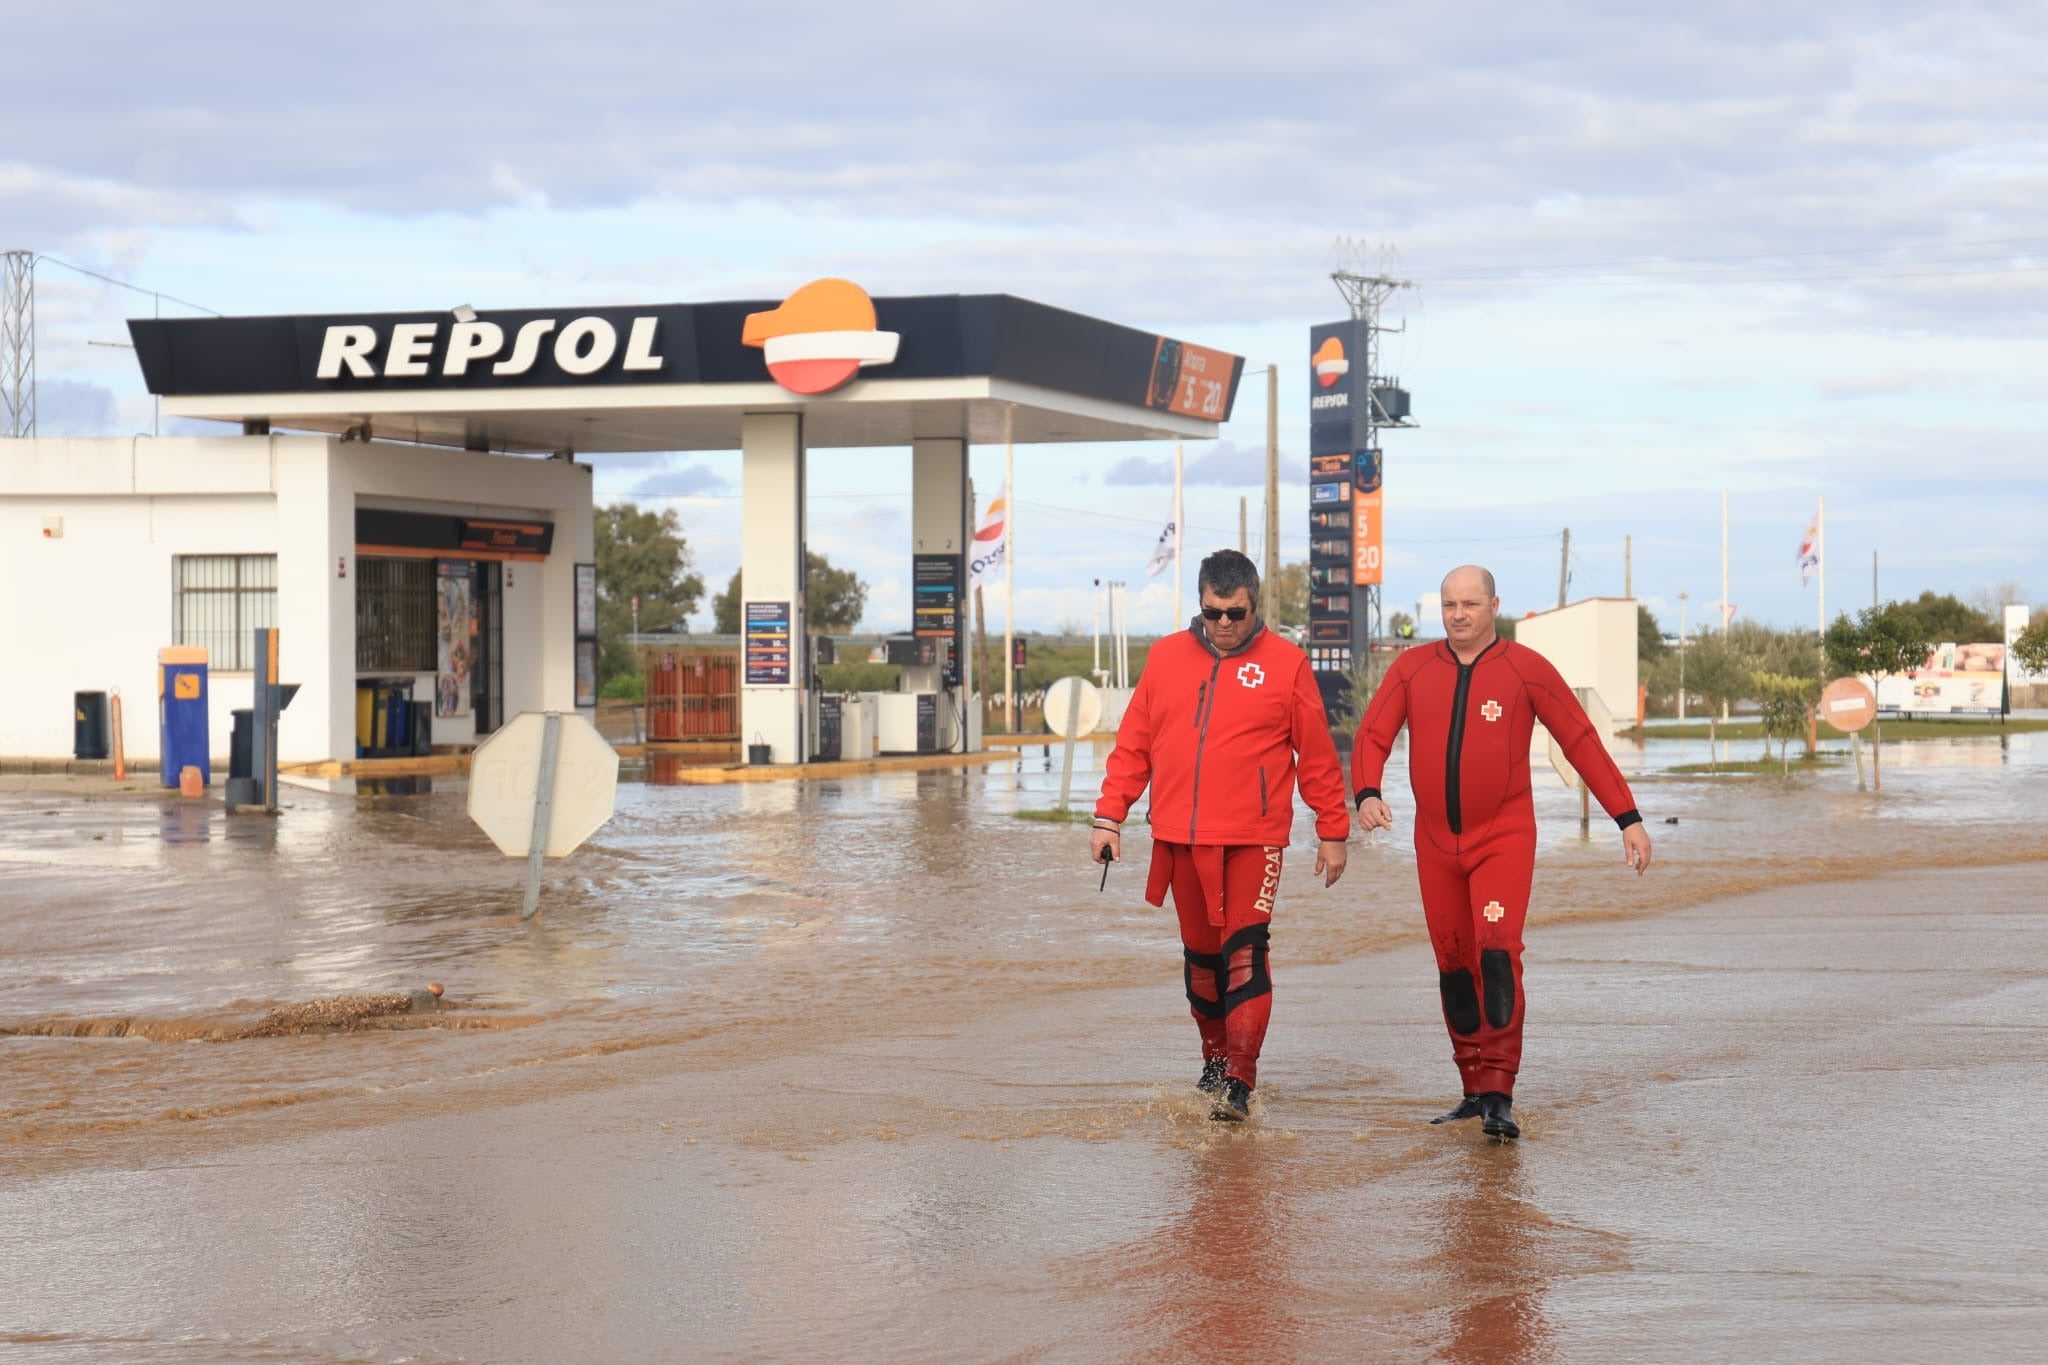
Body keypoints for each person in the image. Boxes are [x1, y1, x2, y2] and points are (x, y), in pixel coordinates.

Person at [1352, 565, 1652, 1140]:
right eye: (1448, 605)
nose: (1458, 614)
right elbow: (1372, 735)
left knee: (1497, 957)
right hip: (1435, 842)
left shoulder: (1525, 671)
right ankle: (1470, 1088)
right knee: (1454, 967)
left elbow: (1580, 740)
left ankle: (1499, 1092)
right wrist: (1366, 791)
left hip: (1503, 838)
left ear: (1494, 605)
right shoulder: (1413, 669)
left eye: (1469, 603)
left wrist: (1628, 819)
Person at [1091, 550, 1352, 1122]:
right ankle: (1213, 1063)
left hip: (1253, 840)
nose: (1225, 625)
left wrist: (1332, 829)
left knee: (1244, 957)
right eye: (1214, 614)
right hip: (1180, 839)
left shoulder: (1286, 663)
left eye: (1236, 614)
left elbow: (1316, 753)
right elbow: (1134, 745)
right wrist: (1109, 817)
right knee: (1202, 967)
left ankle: (1240, 1079)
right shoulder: (1164, 659)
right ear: (1200, 606)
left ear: (1254, 606)